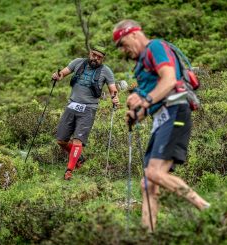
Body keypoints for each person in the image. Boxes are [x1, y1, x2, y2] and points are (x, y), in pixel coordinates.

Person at [112, 20, 210, 231]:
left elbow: (169, 80)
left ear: (134, 34)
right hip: (161, 117)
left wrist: (145, 100)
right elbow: (153, 97)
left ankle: (205, 208)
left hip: (175, 110)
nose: (123, 50)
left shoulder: (154, 47)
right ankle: (148, 234)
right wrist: (136, 113)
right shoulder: (140, 66)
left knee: (155, 174)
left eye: (122, 43)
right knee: (147, 183)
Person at [52, 46, 119, 180]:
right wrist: (57, 76)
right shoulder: (77, 62)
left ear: (102, 59)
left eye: (99, 57)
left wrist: (115, 97)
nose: (96, 58)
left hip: (88, 109)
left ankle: (69, 171)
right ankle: (79, 158)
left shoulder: (106, 71)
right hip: (72, 105)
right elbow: (63, 73)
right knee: (61, 140)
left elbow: (113, 89)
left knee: (78, 141)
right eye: (94, 55)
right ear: (90, 53)